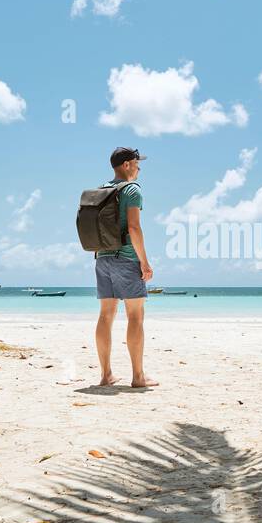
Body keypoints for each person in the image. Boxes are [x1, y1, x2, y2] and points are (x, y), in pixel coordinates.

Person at [94, 146, 157, 388]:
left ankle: (106, 375)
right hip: (126, 258)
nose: (139, 168)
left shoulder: (102, 190)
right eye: (137, 163)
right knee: (135, 316)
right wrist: (144, 261)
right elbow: (133, 227)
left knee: (105, 316)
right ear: (127, 165)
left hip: (102, 258)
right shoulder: (132, 190)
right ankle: (138, 377)